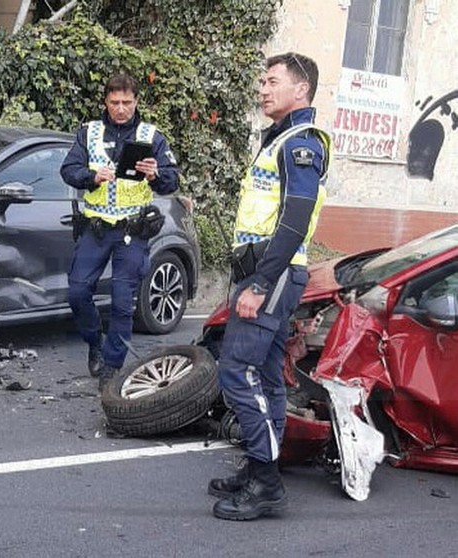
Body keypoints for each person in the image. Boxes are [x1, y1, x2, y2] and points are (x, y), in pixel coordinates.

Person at [209, 52, 332, 521]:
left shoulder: (302, 144)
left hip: (272, 275)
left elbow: (295, 219)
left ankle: (266, 483)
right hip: (265, 272)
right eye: (261, 80)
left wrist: (260, 283)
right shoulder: (278, 139)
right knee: (264, 375)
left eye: (272, 81)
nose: (262, 89)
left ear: (300, 89)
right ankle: (262, 466)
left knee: (236, 370)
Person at [60, 73, 179, 389]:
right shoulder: (89, 132)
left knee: (123, 301)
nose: (121, 108)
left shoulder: (151, 136)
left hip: (133, 231)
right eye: (115, 102)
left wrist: (154, 175)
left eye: (127, 102)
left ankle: (111, 368)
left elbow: (171, 182)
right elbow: (68, 171)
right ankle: (94, 342)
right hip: (97, 228)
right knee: (77, 291)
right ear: (106, 102)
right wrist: (91, 175)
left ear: (136, 102)